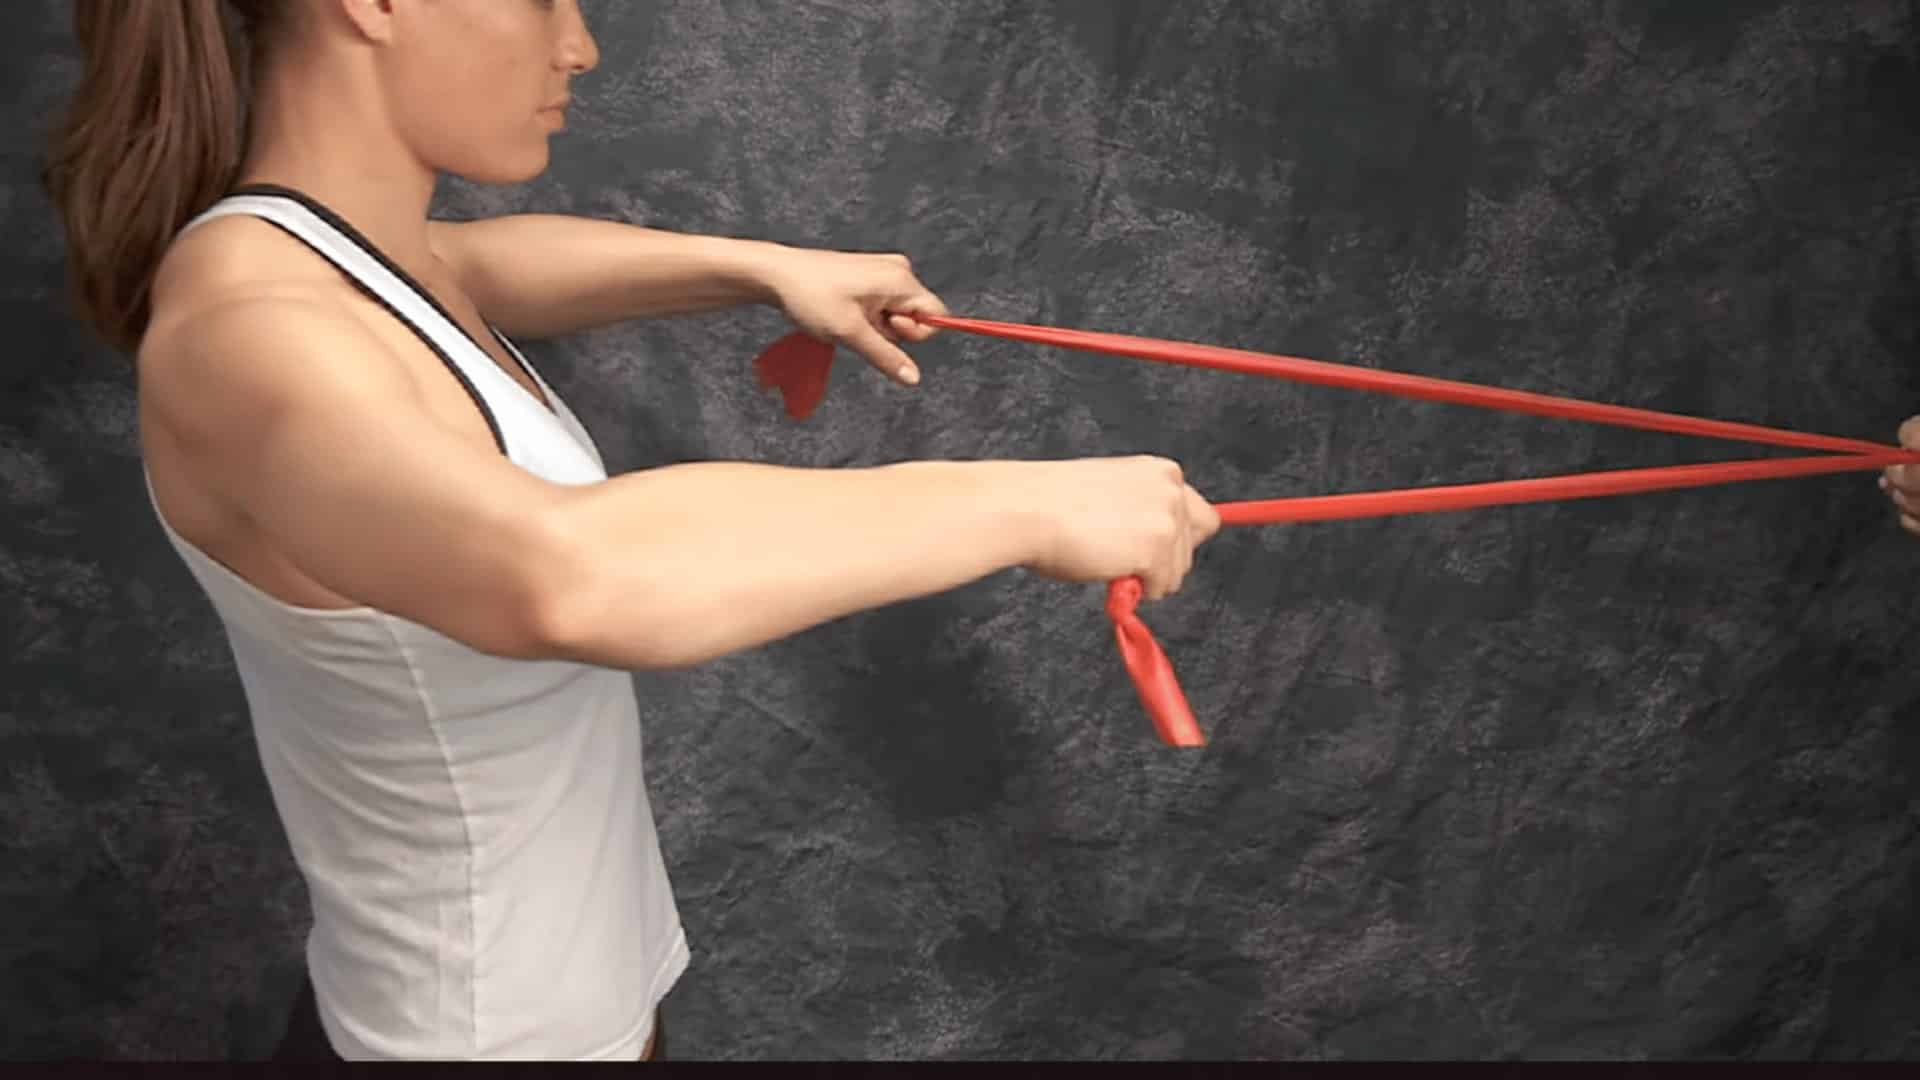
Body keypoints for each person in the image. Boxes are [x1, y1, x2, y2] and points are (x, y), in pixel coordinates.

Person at [41, 0, 1222, 1063]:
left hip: (561, 1015)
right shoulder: (250, 332)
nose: (580, 43)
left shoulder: (346, 259)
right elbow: (569, 577)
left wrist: (761, 270)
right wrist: (1023, 501)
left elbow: (485, 265)